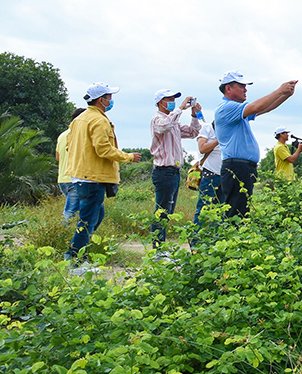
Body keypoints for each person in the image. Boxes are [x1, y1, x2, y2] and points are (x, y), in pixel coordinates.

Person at [65, 83, 141, 273]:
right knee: (88, 220)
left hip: (81, 176)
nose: (110, 100)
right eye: (109, 97)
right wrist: (129, 157)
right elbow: (103, 149)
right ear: (101, 100)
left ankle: (76, 255)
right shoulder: (99, 121)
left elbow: (69, 146)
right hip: (93, 178)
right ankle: (75, 261)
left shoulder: (79, 119)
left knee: (96, 216)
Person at [215, 71, 297, 219]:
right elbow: (256, 107)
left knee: (241, 211)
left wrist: (285, 95)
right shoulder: (227, 108)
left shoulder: (237, 111)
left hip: (242, 167)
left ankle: (233, 240)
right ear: (228, 88)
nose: (245, 90)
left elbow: (265, 108)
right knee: (236, 213)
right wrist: (279, 91)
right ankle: (230, 241)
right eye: (241, 86)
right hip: (236, 168)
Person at [150, 89, 201, 248]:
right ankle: (158, 249)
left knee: (168, 211)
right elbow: (164, 126)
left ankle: (161, 247)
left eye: (173, 99)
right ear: (160, 102)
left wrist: (194, 115)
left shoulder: (174, 123)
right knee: (161, 212)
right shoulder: (158, 119)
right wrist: (180, 108)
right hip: (163, 171)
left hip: (174, 172)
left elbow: (193, 132)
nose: (172, 102)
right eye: (169, 99)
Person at [55, 107, 86, 222]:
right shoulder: (80, 134)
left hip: (62, 179)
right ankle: (60, 235)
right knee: (70, 213)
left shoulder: (62, 135)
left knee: (77, 211)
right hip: (74, 179)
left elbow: (58, 157)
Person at [192, 120, 222, 226]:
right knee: (203, 208)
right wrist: (218, 140)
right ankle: (196, 240)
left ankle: (215, 240)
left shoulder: (229, 129)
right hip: (210, 174)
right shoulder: (207, 128)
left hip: (225, 174)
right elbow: (202, 148)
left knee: (221, 210)